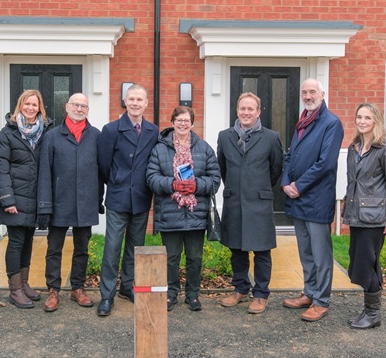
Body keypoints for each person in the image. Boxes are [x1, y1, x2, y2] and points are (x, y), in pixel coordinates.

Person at [146, 106, 221, 312]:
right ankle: (171, 293)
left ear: (193, 123)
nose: (182, 124)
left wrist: (197, 185)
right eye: (178, 120)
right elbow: (151, 178)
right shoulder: (159, 149)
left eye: (186, 120)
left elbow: (215, 179)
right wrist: (173, 184)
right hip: (170, 212)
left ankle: (192, 294)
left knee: (195, 257)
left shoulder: (204, 148)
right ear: (172, 122)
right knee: (171, 257)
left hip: (196, 213)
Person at [282, 78, 344, 322]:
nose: (308, 96)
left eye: (312, 92)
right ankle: (309, 292)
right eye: (304, 92)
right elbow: (291, 157)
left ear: (322, 93)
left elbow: (325, 163)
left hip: (317, 199)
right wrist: (286, 183)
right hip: (298, 199)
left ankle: (322, 300)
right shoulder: (303, 122)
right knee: (305, 251)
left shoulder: (331, 123)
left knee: (320, 254)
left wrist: (299, 185)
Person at [216, 92, 283, 314]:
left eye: (250, 109)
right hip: (234, 200)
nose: (246, 113)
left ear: (258, 112)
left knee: (262, 251)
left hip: (259, 202)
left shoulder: (271, 137)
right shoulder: (224, 136)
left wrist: (257, 188)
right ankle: (240, 288)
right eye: (242, 108)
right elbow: (222, 168)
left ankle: (261, 294)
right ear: (237, 111)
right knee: (237, 248)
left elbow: (276, 170)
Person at [96, 84, 159, 317]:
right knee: (112, 248)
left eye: (139, 99)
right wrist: (117, 181)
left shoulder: (153, 131)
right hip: (118, 197)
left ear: (145, 103)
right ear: (125, 101)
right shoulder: (111, 129)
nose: (135, 103)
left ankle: (127, 286)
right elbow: (103, 165)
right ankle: (106, 295)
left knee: (135, 248)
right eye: (131, 99)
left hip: (141, 199)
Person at [37, 93, 104, 312]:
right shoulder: (52, 136)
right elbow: (44, 172)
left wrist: (98, 199)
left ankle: (78, 288)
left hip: (86, 201)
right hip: (59, 201)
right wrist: (45, 205)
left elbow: (101, 171)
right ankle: (53, 290)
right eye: (76, 104)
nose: (79, 108)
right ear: (67, 107)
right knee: (54, 248)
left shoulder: (96, 135)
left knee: (82, 248)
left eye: (84, 106)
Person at [342, 103, 386, 329]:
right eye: (359, 117)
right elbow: (352, 183)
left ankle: (373, 314)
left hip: (375, 217)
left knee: (369, 263)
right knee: (359, 261)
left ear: (375, 121)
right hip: (357, 215)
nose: (362, 121)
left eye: (367, 117)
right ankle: (368, 311)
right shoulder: (354, 147)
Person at [0, 89, 54, 309]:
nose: (30, 108)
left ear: (40, 108)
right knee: (16, 242)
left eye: (34, 105)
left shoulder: (46, 132)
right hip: (15, 199)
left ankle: (25, 283)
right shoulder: (7, 134)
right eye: (27, 104)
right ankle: (15, 289)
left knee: (28, 241)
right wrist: (7, 199)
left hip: (35, 199)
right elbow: (0, 169)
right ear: (20, 106)